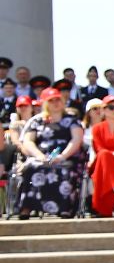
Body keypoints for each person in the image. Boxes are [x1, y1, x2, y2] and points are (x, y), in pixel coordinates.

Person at [14, 88, 83, 218]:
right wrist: (39, 156)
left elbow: (76, 139)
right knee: (31, 167)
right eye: (51, 100)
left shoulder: (72, 120)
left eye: (58, 99)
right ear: (45, 103)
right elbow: (28, 141)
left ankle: (64, 208)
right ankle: (26, 207)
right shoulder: (36, 120)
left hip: (66, 155)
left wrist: (62, 156)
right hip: (41, 155)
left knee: (64, 168)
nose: (56, 103)